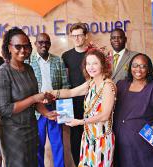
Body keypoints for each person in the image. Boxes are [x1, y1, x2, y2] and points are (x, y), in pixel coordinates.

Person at [0, 27, 57, 167]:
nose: (23, 50)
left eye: (26, 46)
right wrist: (34, 98)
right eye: (18, 46)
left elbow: (35, 100)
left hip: (31, 127)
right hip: (12, 132)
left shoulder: (29, 69)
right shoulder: (3, 73)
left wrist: (47, 113)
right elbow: (5, 109)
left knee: (33, 163)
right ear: (9, 48)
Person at [52, 49, 116, 167]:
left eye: (95, 63)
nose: (91, 67)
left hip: (101, 139)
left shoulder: (108, 85)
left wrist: (80, 122)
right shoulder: (90, 83)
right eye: (88, 63)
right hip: (88, 136)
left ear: (103, 65)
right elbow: (70, 93)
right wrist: (49, 94)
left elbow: (104, 115)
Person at [113, 53, 153, 167]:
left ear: (148, 69)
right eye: (135, 65)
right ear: (130, 67)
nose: (138, 69)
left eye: (143, 66)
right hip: (121, 142)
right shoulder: (121, 85)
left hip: (143, 145)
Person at [28, 33, 69, 167]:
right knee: (38, 144)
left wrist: (64, 111)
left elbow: (66, 85)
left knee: (58, 143)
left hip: (55, 108)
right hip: (36, 109)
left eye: (46, 42)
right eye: (40, 42)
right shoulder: (28, 62)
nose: (44, 45)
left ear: (50, 44)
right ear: (35, 44)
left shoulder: (58, 60)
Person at [61, 22, 88, 166]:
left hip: (91, 103)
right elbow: (64, 82)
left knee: (92, 136)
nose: (77, 38)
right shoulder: (66, 56)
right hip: (73, 104)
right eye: (74, 36)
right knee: (75, 139)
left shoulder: (93, 54)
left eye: (79, 35)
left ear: (85, 36)